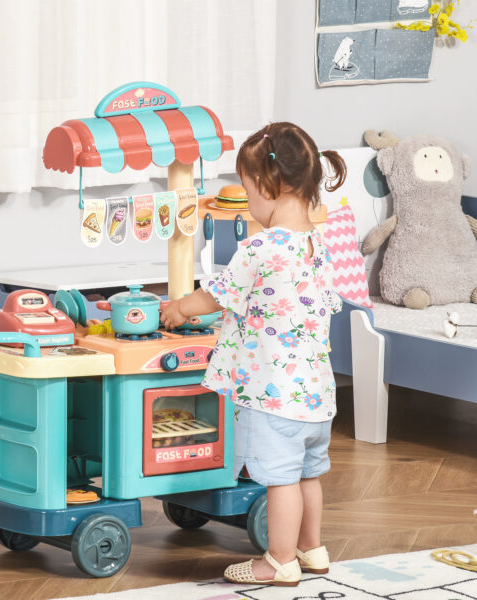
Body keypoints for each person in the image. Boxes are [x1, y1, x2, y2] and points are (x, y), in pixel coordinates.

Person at [161, 122, 346, 587]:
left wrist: (180, 308)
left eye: (246, 192)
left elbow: (216, 295)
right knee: (308, 475)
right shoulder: (318, 246)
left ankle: (278, 560)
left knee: (280, 480)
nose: (248, 203)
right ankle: (312, 549)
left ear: (269, 185)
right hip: (317, 396)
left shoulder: (261, 247)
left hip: (273, 396)